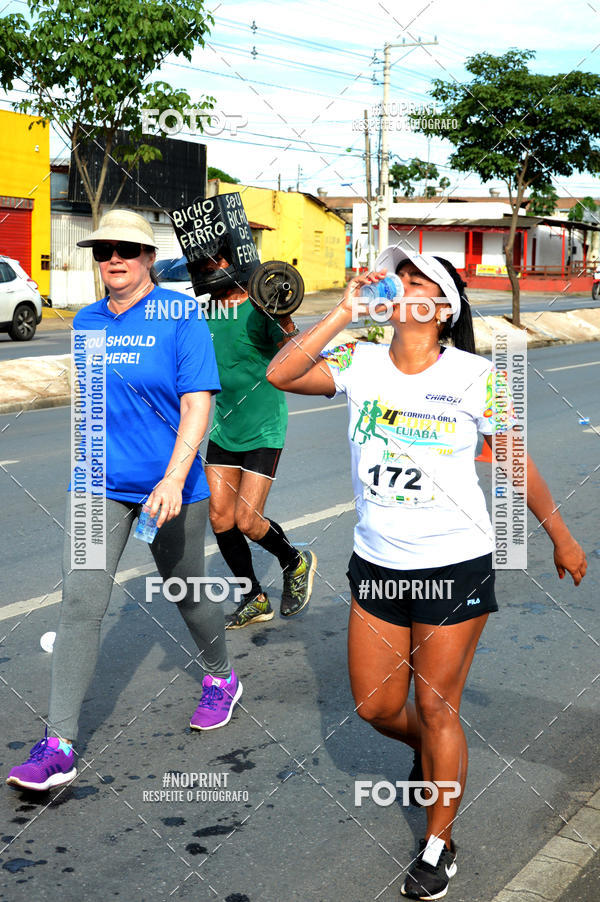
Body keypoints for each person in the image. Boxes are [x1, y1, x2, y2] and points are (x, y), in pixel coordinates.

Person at [267, 246, 587, 900]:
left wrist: (559, 534)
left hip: (454, 565)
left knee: (438, 707)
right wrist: (343, 312)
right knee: (377, 707)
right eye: (397, 278)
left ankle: (439, 844)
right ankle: (437, 752)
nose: (399, 286)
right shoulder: (359, 361)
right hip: (378, 564)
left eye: (417, 281)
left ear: (441, 310)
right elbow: (282, 373)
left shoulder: (477, 376)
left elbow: (512, 458)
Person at [7, 210, 242, 793]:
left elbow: (198, 402)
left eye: (127, 249)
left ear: (148, 258)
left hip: (171, 486)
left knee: (188, 593)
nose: (113, 258)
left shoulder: (180, 316)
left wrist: (173, 478)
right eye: (103, 250)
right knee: (81, 603)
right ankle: (59, 745)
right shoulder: (88, 321)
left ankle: (221, 676)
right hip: (98, 484)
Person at [199, 252, 317, 629]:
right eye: (204, 263)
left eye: (216, 261)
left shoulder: (258, 307)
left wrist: (282, 313)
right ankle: (254, 598)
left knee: (248, 521)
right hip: (225, 427)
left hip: (265, 426)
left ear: (232, 261)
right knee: (220, 517)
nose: (208, 267)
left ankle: (294, 561)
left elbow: (293, 350)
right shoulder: (204, 313)